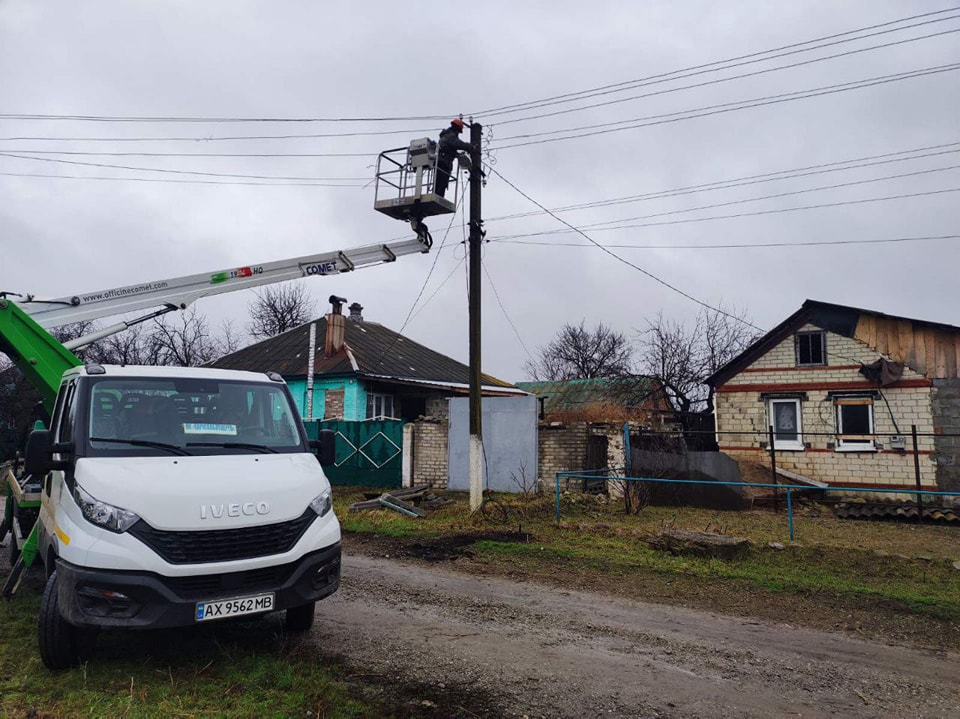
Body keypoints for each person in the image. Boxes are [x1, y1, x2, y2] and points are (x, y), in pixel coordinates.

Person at [434, 118, 472, 198]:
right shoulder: (450, 136)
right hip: (444, 162)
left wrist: (457, 154)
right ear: (456, 128)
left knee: (439, 183)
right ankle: (438, 197)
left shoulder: (446, 135)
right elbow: (458, 144)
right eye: (458, 131)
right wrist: (470, 147)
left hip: (441, 161)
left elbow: (451, 147)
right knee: (441, 182)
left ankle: (438, 196)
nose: (458, 133)